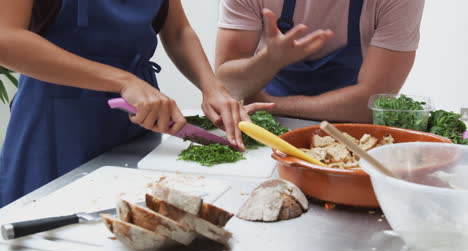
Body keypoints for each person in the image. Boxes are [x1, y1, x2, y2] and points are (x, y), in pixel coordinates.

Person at [0, 0, 271, 207]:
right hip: (57, 122)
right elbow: (6, 40)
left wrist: (212, 87)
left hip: (138, 118)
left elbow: (178, 31)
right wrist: (124, 81)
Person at [215, 0, 425, 122]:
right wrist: (268, 61)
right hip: (265, 127)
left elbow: (372, 103)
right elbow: (228, 86)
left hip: (350, 133)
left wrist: (272, 104)